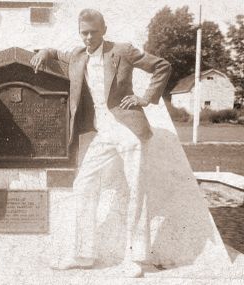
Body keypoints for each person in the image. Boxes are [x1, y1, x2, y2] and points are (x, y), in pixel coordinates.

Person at [30, 8, 171, 277]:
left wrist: (145, 97)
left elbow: (161, 66)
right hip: (102, 132)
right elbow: (56, 54)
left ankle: (134, 258)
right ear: (79, 33)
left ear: (103, 30)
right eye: (84, 32)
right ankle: (83, 254)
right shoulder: (77, 56)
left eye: (94, 32)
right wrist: (44, 51)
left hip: (128, 130)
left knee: (136, 190)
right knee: (83, 185)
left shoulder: (122, 50)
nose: (88, 37)